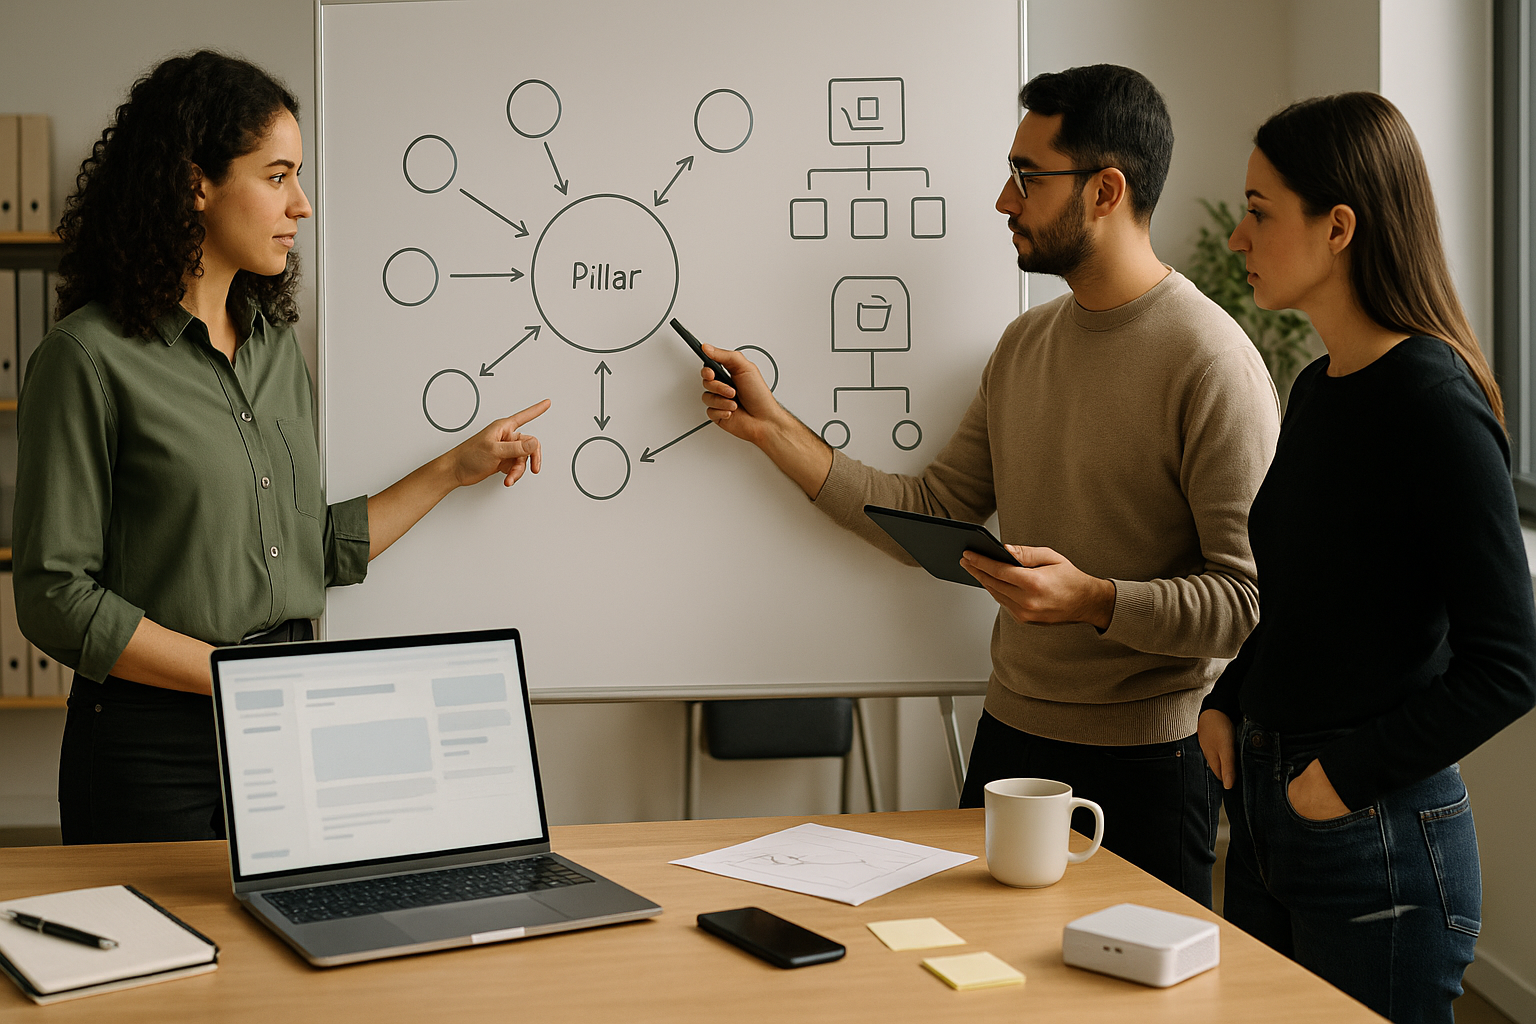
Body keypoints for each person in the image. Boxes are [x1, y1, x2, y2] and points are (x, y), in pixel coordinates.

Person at [696, 64, 1280, 906]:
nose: (1005, 201)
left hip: (1150, 763)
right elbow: (935, 510)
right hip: (1010, 741)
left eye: (1027, 177)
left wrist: (1094, 599)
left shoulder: (1212, 362)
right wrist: (771, 427)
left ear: (1107, 190)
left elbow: (1245, 601)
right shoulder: (1024, 345)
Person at [12, 50, 551, 845]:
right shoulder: (86, 358)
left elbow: (304, 552)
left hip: (286, 724)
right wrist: (236, 680)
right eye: (277, 175)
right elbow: (55, 596)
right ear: (197, 183)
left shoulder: (273, 352)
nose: (301, 204)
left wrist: (452, 470)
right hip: (151, 749)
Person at [1200, 92, 1536, 1024]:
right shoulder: (1316, 388)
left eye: (1260, 212)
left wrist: (1336, 782)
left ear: (1338, 225)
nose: (1238, 239)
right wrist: (1233, 695)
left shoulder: (1434, 404)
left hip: (1371, 830)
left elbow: (1509, 666)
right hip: (1272, 810)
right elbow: (1309, 600)